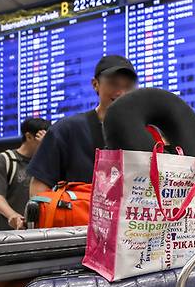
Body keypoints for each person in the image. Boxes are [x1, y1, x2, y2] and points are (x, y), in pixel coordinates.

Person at [28, 55, 138, 195]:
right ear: (95, 84)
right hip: (78, 215)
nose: (121, 93)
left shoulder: (142, 134)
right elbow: (39, 186)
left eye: (128, 86)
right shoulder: (66, 130)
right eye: (113, 84)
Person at [0, 118, 49, 230]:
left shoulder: (46, 163)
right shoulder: (5, 160)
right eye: (42, 140)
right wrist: (13, 216)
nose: (45, 144)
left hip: (36, 233)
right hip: (5, 233)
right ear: (29, 136)